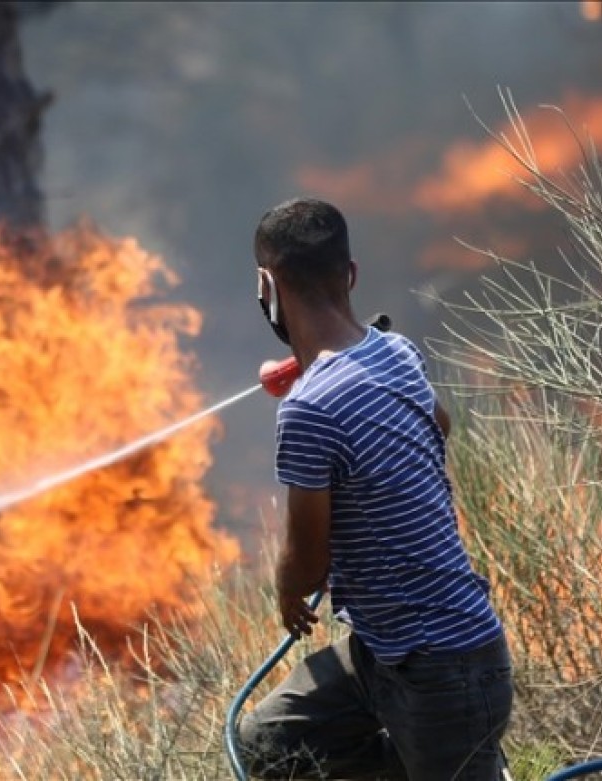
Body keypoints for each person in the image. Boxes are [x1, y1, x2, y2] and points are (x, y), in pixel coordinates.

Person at [237, 197, 512, 781]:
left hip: (446, 671)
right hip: (384, 653)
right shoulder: (397, 352)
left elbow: (308, 566)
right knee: (270, 743)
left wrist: (287, 589)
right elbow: (440, 424)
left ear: (268, 287)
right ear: (351, 274)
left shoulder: (309, 409)